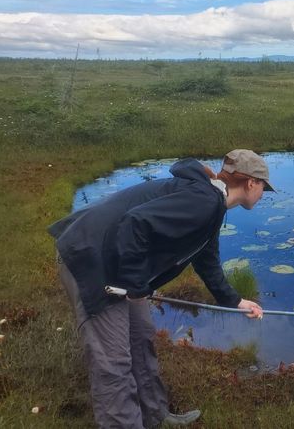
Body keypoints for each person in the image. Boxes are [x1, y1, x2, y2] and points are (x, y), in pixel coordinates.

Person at [48, 149, 275, 428]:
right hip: (91, 259)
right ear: (251, 182)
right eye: (264, 186)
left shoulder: (211, 201)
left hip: (119, 265)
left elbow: (206, 257)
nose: (264, 193)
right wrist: (134, 284)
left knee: (141, 340)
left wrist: (234, 300)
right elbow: (134, 225)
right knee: (114, 363)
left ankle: (156, 417)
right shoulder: (203, 200)